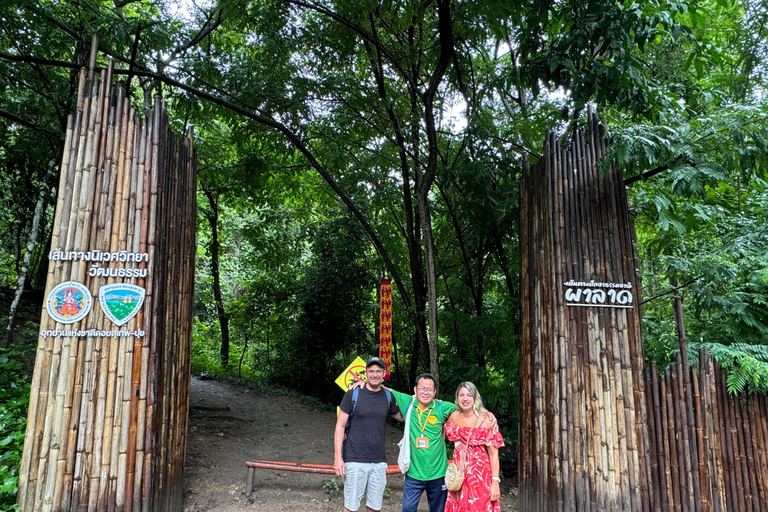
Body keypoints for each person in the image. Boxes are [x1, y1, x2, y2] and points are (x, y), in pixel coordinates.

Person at [334, 357, 403, 512]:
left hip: (378, 461)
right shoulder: (353, 393)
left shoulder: (387, 396)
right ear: (365, 373)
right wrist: (338, 458)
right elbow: (340, 425)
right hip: (355, 459)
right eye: (371, 371)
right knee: (350, 507)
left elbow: (401, 416)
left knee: (374, 507)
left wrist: (426, 407)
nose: (374, 374)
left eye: (378, 371)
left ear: (384, 373)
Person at [390, 374, 457, 512]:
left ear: (434, 392)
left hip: (438, 473)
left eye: (429, 389)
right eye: (422, 388)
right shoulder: (408, 403)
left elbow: (466, 410)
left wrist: (487, 416)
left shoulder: (442, 407)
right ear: (415, 389)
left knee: (438, 510)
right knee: (408, 509)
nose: (426, 392)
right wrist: (360, 384)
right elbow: (382, 388)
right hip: (413, 473)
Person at [444, 382, 504, 512]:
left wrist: (495, 482)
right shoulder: (453, 417)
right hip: (459, 478)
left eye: (469, 395)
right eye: (461, 395)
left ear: (475, 398)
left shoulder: (486, 420)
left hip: (480, 478)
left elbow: (494, 455)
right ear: (457, 398)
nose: (465, 399)